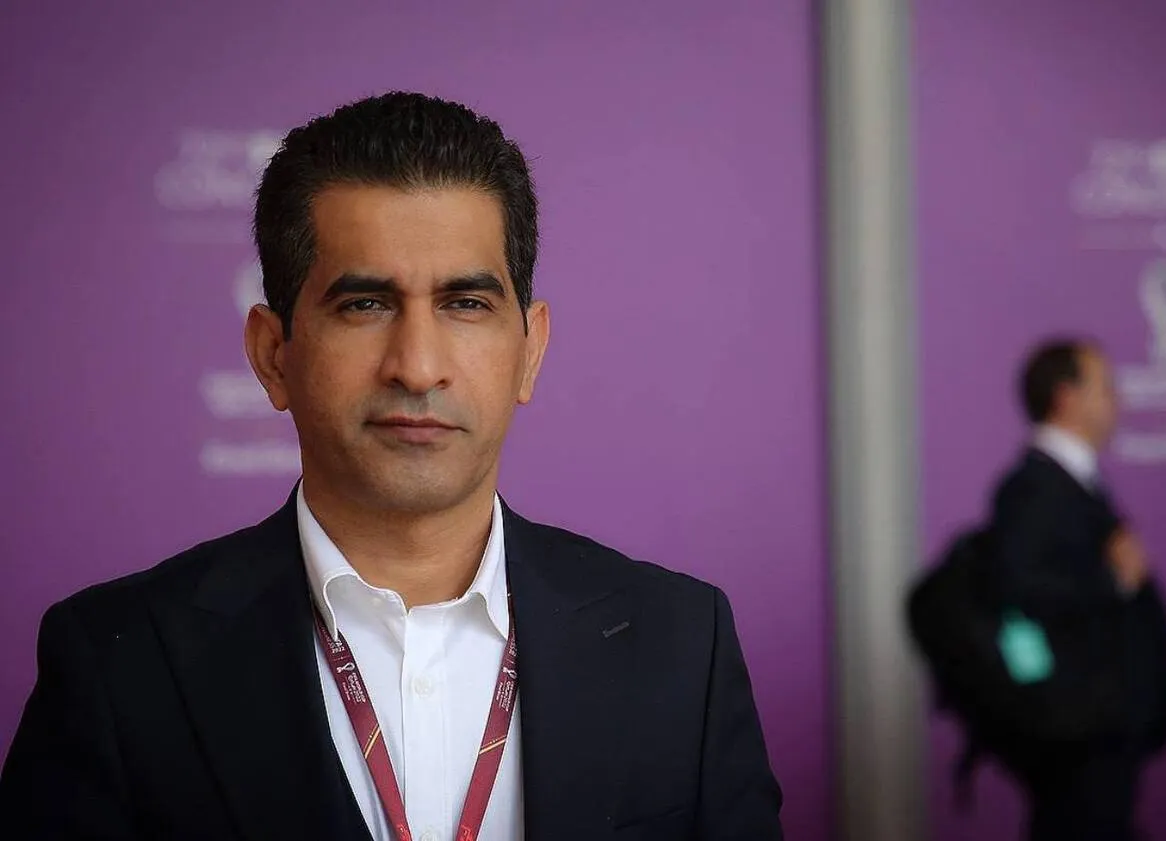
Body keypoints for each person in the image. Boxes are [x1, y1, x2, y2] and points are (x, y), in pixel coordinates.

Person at [0, 92, 783, 841]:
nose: (416, 365)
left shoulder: (683, 645)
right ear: (272, 354)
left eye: (465, 304)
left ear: (530, 350)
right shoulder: (119, 662)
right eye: (365, 305)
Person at [989, 338, 1166, 841]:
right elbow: (1020, 597)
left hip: (1101, 729)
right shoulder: (1034, 488)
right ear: (1066, 397)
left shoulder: (1075, 482)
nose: (1119, 400)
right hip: (1076, 731)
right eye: (1105, 387)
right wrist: (1114, 580)